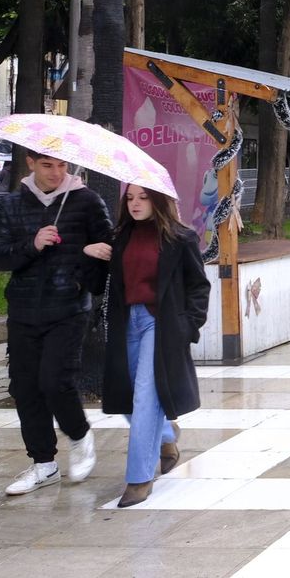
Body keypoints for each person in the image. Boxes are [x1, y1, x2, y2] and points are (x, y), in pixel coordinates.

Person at [0, 151, 113, 496]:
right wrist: (32, 243)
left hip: (68, 307)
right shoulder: (12, 204)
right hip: (24, 309)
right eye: (47, 165)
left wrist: (88, 254)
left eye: (62, 165)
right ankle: (43, 464)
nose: (57, 173)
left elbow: (108, 246)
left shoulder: (87, 201)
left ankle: (79, 434)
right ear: (30, 163)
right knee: (25, 388)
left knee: (54, 381)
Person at [100, 184, 211, 508]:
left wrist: (187, 327)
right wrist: (91, 252)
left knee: (146, 396)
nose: (135, 204)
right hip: (126, 324)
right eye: (130, 198)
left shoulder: (180, 238)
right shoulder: (120, 237)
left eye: (143, 197)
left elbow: (198, 287)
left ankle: (139, 478)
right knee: (124, 399)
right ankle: (165, 434)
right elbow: (105, 283)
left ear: (158, 200)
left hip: (159, 325)